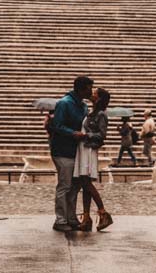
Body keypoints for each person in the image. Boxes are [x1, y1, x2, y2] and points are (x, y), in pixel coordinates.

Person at [48, 75, 92, 232]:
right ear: (81, 88)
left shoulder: (83, 106)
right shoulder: (64, 103)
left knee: (74, 186)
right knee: (65, 185)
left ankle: (71, 218)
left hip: (77, 151)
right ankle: (60, 219)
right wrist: (72, 133)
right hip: (62, 150)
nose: (91, 91)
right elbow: (57, 125)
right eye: (89, 88)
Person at [75, 87, 114, 231]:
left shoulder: (102, 114)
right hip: (84, 148)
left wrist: (86, 136)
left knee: (86, 182)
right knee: (85, 185)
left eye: (95, 93)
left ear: (99, 98)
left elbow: (102, 135)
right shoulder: (91, 112)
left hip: (89, 149)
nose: (91, 94)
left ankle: (103, 212)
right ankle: (86, 218)